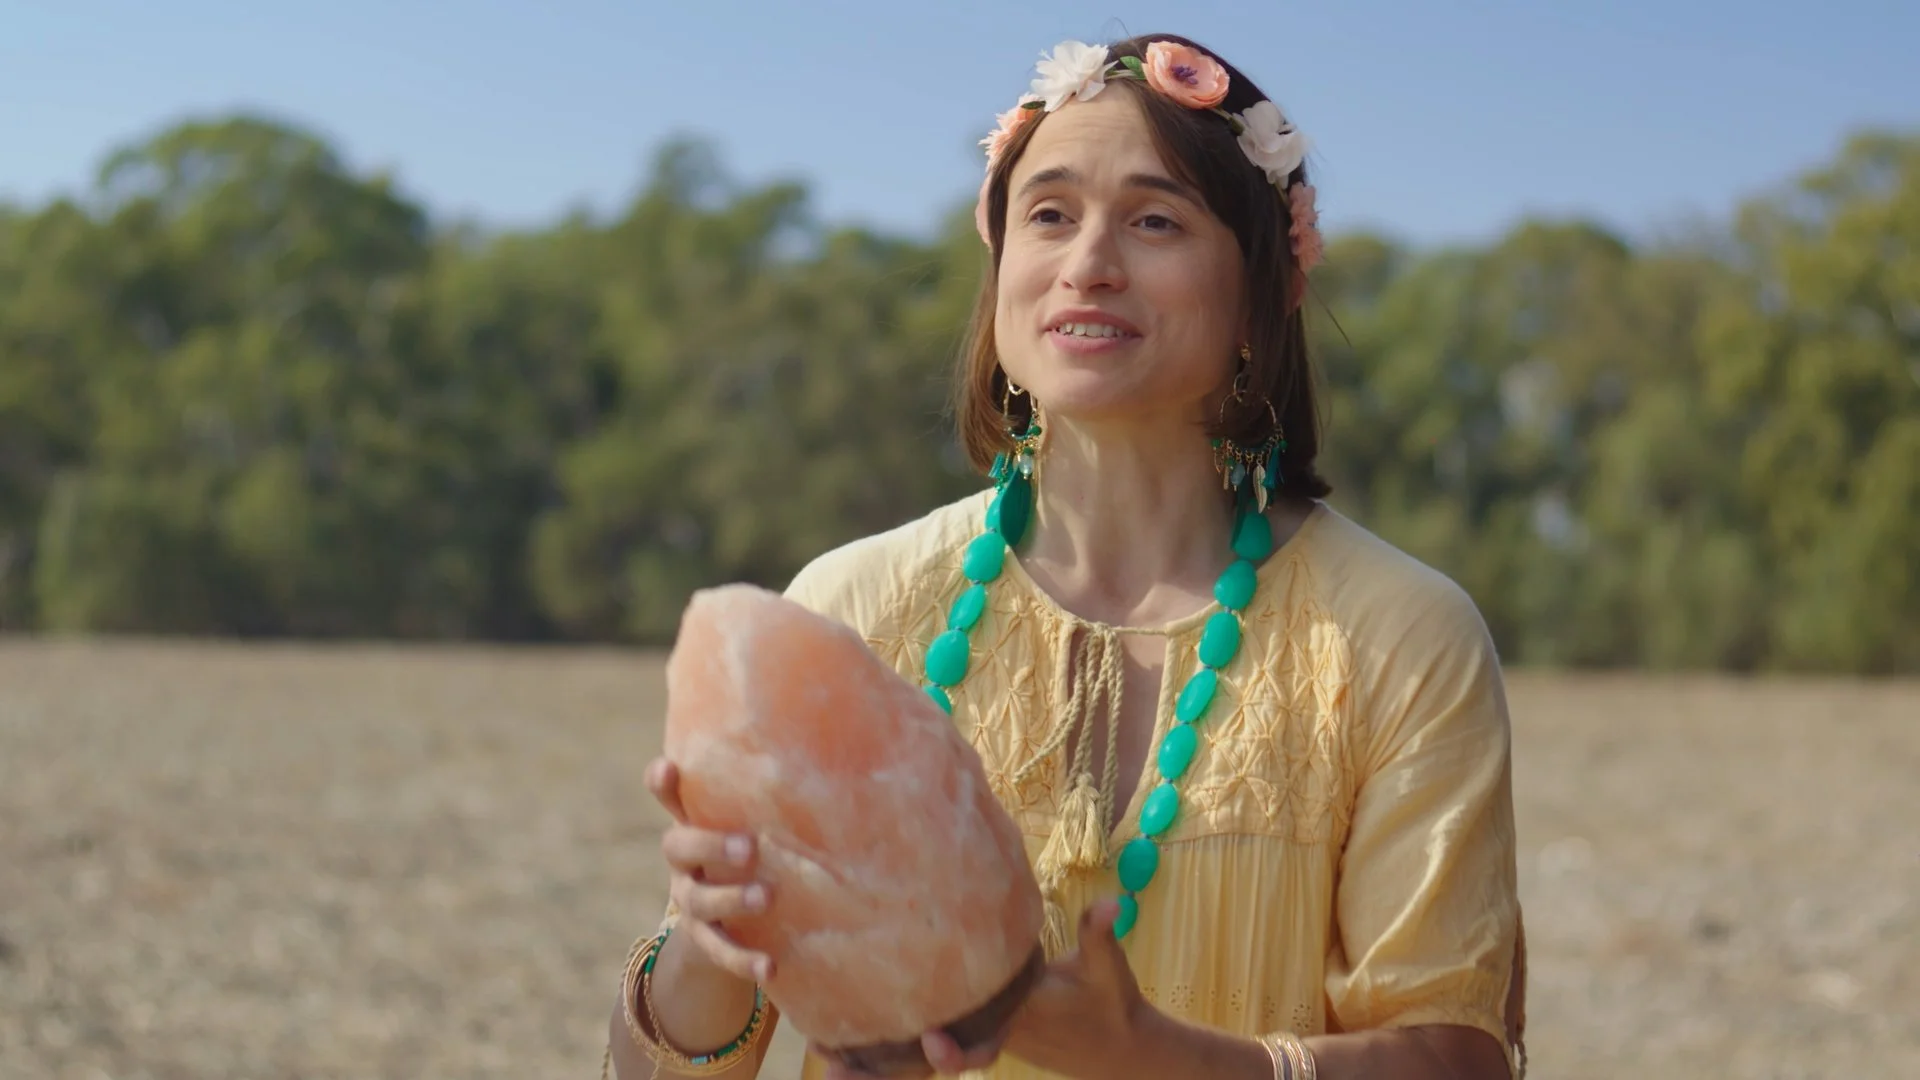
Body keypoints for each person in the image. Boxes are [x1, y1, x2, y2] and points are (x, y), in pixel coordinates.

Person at [607, 33, 1528, 1080]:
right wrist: (710, 943)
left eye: (1155, 220)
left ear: (1263, 289)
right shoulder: (849, 608)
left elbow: (1458, 1058)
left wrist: (1153, 1057)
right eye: (1048, 214)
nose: (1089, 265)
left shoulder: (1400, 637)